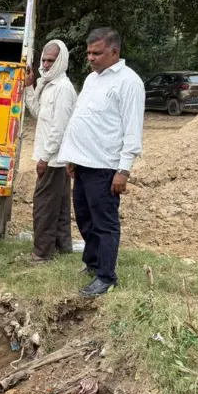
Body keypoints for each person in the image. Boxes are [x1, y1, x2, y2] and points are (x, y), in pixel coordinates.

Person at [56, 28, 144, 297]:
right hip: (82, 163)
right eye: (88, 53)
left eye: (97, 53)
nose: (90, 58)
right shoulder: (92, 79)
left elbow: (132, 129)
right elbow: (83, 117)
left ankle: (106, 277)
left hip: (105, 166)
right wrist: (71, 156)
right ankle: (93, 263)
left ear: (114, 52)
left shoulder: (129, 82)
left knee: (105, 223)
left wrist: (123, 170)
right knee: (85, 218)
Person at [24, 40, 78, 263]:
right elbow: (40, 114)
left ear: (61, 61)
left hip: (54, 158)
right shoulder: (48, 84)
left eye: (51, 61)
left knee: (44, 204)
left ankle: (42, 252)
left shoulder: (63, 88)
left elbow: (59, 127)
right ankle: (62, 246)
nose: (45, 65)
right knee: (59, 203)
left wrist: (44, 158)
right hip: (54, 157)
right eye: (44, 60)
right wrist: (30, 87)